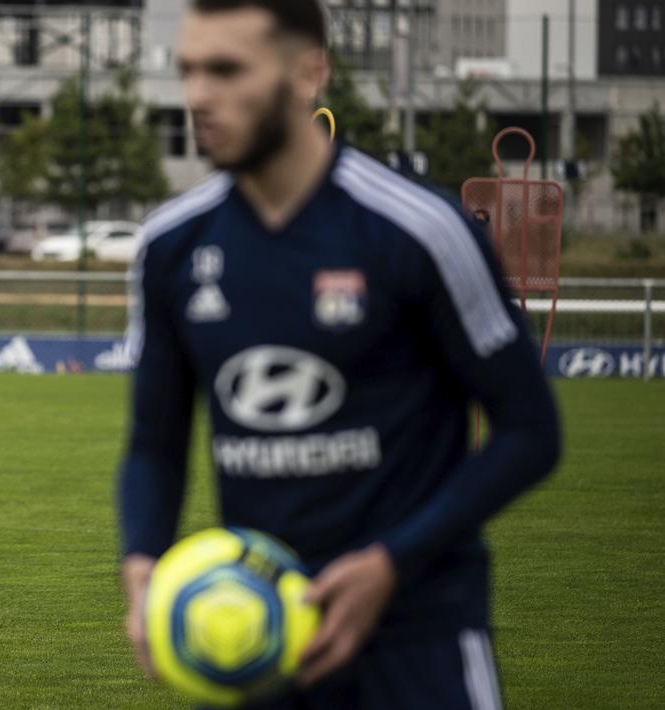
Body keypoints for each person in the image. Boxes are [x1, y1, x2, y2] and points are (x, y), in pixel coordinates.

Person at [117, 2, 560, 708]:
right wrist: (140, 560)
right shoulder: (170, 245)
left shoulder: (418, 228)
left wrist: (389, 562)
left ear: (307, 73)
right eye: (188, 71)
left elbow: (530, 432)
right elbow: (154, 445)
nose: (198, 95)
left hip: (420, 640)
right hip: (268, 644)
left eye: (226, 70)